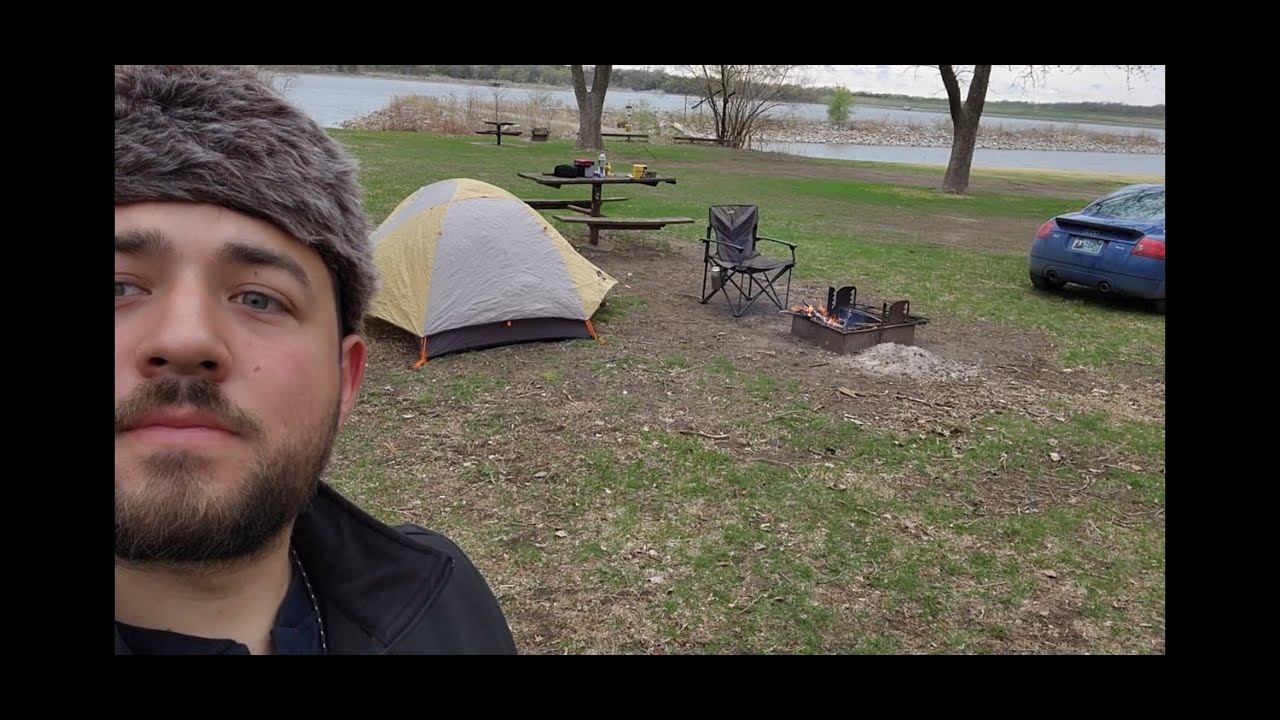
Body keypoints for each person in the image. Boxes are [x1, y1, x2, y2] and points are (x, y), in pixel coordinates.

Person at [114, 65, 518, 655]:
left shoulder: (448, 603)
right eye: (119, 288)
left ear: (345, 381)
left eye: (258, 298)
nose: (186, 340)